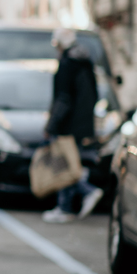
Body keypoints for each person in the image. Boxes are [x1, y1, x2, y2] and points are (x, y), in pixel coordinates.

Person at [41, 27, 104, 223]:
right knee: (68, 162)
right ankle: (68, 203)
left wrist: (51, 125)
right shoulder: (85, 62)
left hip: (66, 125)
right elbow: (93, 95)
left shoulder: (67, 64)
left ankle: (73, 201)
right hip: (81, 124)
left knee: (63, 164)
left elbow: (63, 98)